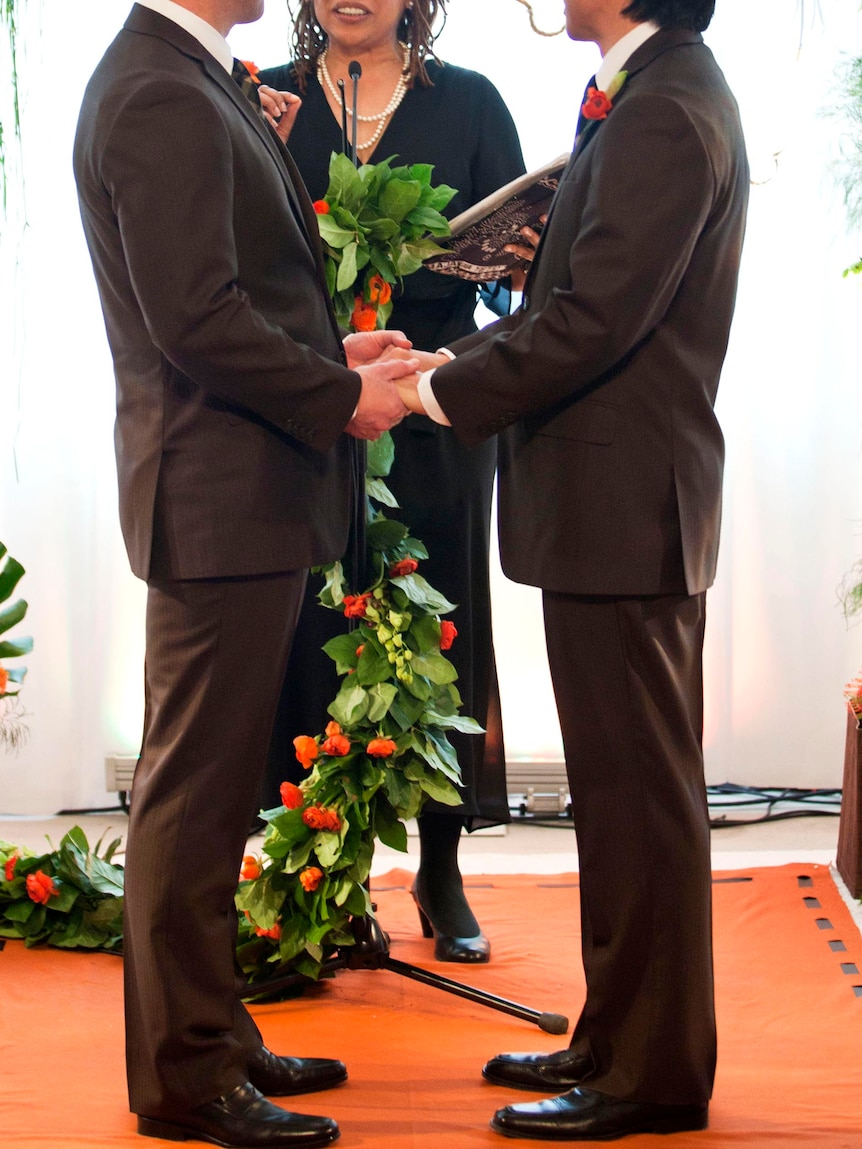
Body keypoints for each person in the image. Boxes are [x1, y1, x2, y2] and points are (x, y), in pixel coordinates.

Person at [391, 0, 749, 1139]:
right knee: (617, 795)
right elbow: (570, 303)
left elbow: (594, 320)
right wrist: (448, 355)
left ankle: (648, 1076)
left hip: (623, 503)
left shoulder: (665, 111)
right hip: (613, 502)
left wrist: (435, 390)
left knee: (638, 801)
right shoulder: (651, 93)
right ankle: (614, 1037)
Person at [73, 1, 420, 1145]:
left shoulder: (191, 71)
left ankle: (217, 1037)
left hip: (245, 488)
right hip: (218, 494)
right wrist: (338, 396)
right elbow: (197, 320)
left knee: (217, 790)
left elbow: (244, 291)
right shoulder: (161, 89)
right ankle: (183, 1076)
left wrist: (334, 353)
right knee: (193, 793)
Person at [256, 0, 526, 963]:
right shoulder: (267, 99)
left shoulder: (474, 104)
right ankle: (330, 876)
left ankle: (442, 871)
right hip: (311, 405)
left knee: (438, 624)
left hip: (434, 407)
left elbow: (521, 283)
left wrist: (448, 370)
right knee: (315, 627)